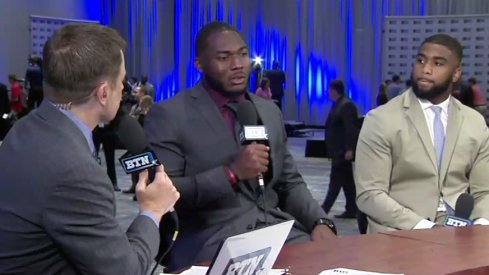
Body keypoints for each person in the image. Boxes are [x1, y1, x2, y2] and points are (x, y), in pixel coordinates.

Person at [144, 21, 336, 271]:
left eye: (243, 54)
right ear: (200, 64)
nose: (238, 65)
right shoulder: (169, 115)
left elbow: (289, 181)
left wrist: (320, 220)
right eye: (224, 57)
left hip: (278, 234)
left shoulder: (268, 111)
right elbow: (163, 195)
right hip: (210, 242)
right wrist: (230, 173)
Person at [0, 23, 179, 274]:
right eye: (122, 81)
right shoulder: (76, 172)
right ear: (104, 93)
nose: (123, 89)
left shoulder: (25, 127)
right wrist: (152, 211)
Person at [355, 33, 489, 233]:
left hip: (460, 239)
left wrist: (479, 227)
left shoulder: (474, 122)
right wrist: (428, 229)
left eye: (438, 63)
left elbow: (484, 191)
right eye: (421, 60)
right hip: (400, 236)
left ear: (456, 74)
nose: (425, 69)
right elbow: (369, 195)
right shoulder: (381, 119)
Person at [322, 79, 359, 219]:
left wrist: (350, 149)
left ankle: (324, 209)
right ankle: (352, 209)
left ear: (334, 90)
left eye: (329, 90)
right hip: (338, 150)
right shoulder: (339, 104)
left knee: (335, 182)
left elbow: (351, 129)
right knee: (348, 182)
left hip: (342, 151)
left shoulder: (346, 106)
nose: (328, 92)